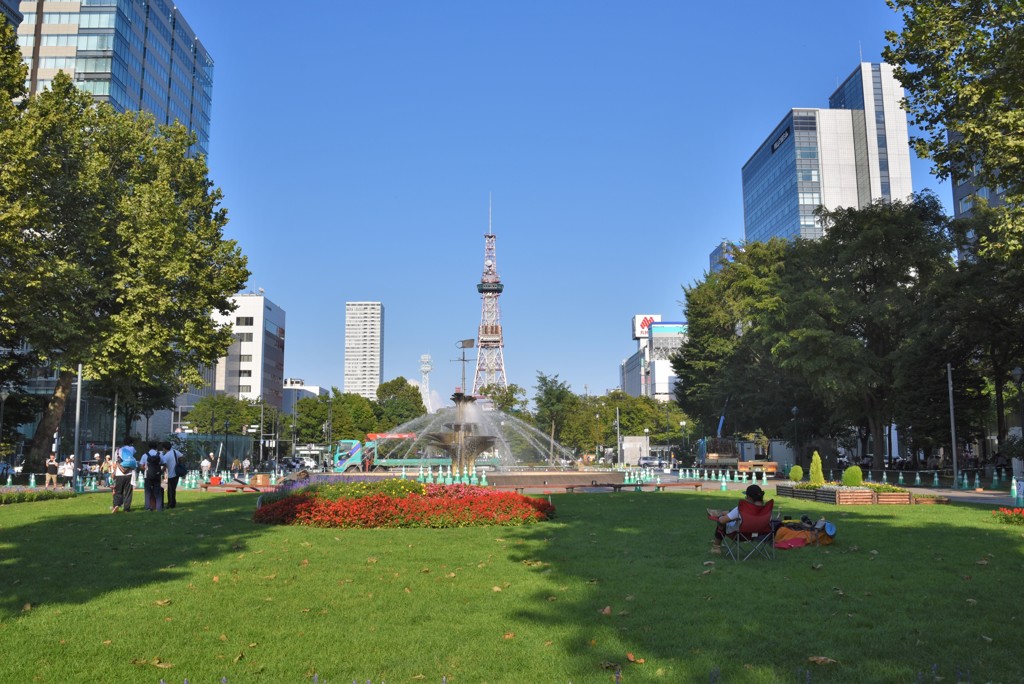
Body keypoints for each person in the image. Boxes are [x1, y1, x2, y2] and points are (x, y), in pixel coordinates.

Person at [710, 484, 767, 555]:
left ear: (749, 497)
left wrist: (720, 517)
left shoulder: (742, 508)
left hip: (740, 535)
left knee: (721, 522)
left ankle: (716, 547)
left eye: (746, 496)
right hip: (758, 535)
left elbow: (722, 520)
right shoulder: (766, 510)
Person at [111, 438, 137, 513]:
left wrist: (113, 472)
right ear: (131, 443)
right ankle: (127, 508)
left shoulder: (118, 450)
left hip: (119, 473)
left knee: (118, 491)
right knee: (128, 492)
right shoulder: (132, 449)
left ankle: (116, 505)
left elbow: (115, 462)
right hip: (129, 473)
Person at [141, 443, 164, 511]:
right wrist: (160, 472)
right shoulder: (160, 455)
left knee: (148, 492)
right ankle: (159, 508)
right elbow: (165, 464)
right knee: (158, 492)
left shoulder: (145, 455)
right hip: (157, 475)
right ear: (156, 447)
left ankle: (148, 507)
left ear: (149, 447)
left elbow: (141, 466)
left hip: (147, 476)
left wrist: (146, 470)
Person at [162, 441, 182, 509]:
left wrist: (161, 471)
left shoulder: (165, 456)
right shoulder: (175, 451)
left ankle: (171, 504)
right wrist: (179, 463)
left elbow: (164, 465)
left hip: (171, 474)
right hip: (177, 473)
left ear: (164, 448)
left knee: (170, 490)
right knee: (173, 489)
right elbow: (182, 457)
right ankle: (173, 503)